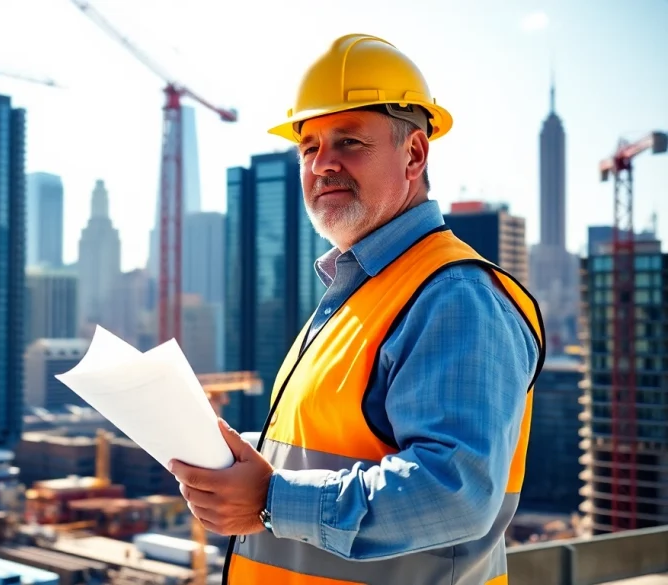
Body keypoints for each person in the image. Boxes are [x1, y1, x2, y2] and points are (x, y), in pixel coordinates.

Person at [169, 33, 545, 585]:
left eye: (348, 141)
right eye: (308, 148)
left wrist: (270, 501)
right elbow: (337, 449)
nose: (322, 164)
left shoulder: (455, 295)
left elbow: (456, 493)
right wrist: (240, 461)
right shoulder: (360, 293)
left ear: (414, 154)